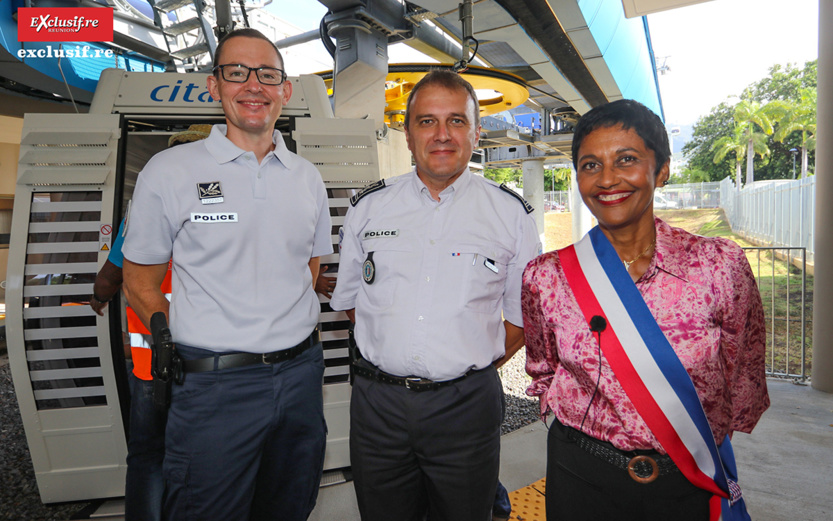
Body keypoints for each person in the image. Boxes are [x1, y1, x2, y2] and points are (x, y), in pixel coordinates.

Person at [522, 99, 769, 520]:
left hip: (686, 478)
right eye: (590, 165)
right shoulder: (546, 276)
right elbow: (544, 370)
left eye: (627, 159)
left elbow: (742, 376)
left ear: (663, 169)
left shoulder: (717, 266)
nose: (607, 179)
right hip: (579, 474)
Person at [122, 27, 331, 521]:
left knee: (290, 505)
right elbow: (138, 279)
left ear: (286, 89)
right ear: (214, 85)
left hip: (301, 377)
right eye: (237, 72)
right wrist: (168, 342)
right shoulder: (169, 171)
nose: (253, 85)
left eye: (268, 74)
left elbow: (310, 265)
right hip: (213, 387)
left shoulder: (307, 178)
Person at [329, 69, 541, 521]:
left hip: (466, 406)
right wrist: (398, 348)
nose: (442, 134)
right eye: (427, 121)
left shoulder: (510, 215)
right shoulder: (369, 208)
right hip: (378, 408)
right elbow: (352, 304)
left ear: (476, 132)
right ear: (407, 135)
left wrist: (459, 365)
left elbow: (520, 321)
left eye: (456, 121)